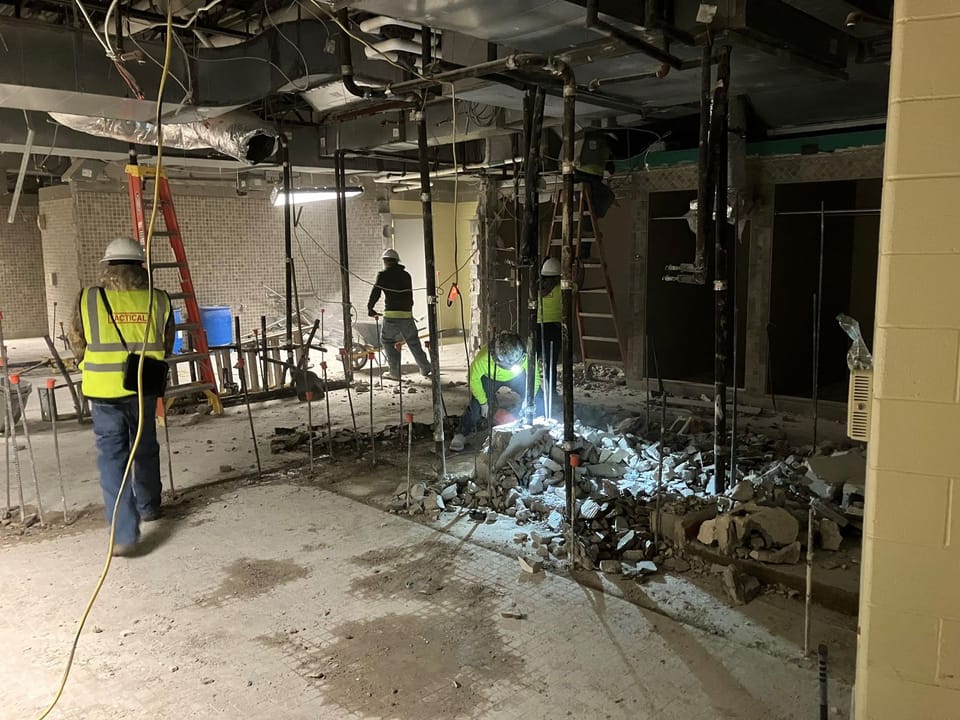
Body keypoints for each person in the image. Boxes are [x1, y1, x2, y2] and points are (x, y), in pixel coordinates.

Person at [69, 237, 174, 557]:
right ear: (141, 265)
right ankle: (149, 506)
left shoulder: (89, 298)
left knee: (113, 457)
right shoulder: (159, 298)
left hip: (103, 390)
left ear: (107, 266)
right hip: (142, 386)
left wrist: (87, 364)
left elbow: (77, 343)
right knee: (144, 446)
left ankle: (125, 534)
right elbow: (167, 343)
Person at [449, 332, 541, 452]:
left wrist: (529, 400)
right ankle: (461, 433)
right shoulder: (483, 359)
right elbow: (473, 379)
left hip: (517, 377)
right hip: (490, 377)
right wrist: (483, 402)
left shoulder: (526, 353)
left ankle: (532, 425)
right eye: (507, 366)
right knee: (476, 408)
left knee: (538, 399)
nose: (510, 367)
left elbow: (535, 379)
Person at [367, 248, 431, 381]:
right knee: (413, 341)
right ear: (397, 261)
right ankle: (425, 367)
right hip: (406, 314)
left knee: (387, 341)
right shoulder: (406, 275)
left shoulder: (383, 275)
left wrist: (370, 308)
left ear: (385, 261)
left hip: (391, 315)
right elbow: (409, 296)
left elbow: (375, 293)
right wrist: (408, 311)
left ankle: (394, 372)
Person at [537, 257, 563, 398]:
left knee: (533, 361)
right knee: (550, 362)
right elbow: (578, 284)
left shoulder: (537, 288)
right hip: (554, 328)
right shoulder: (562, 288)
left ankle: (534, 390)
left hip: (538, 327)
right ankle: (551, 391)